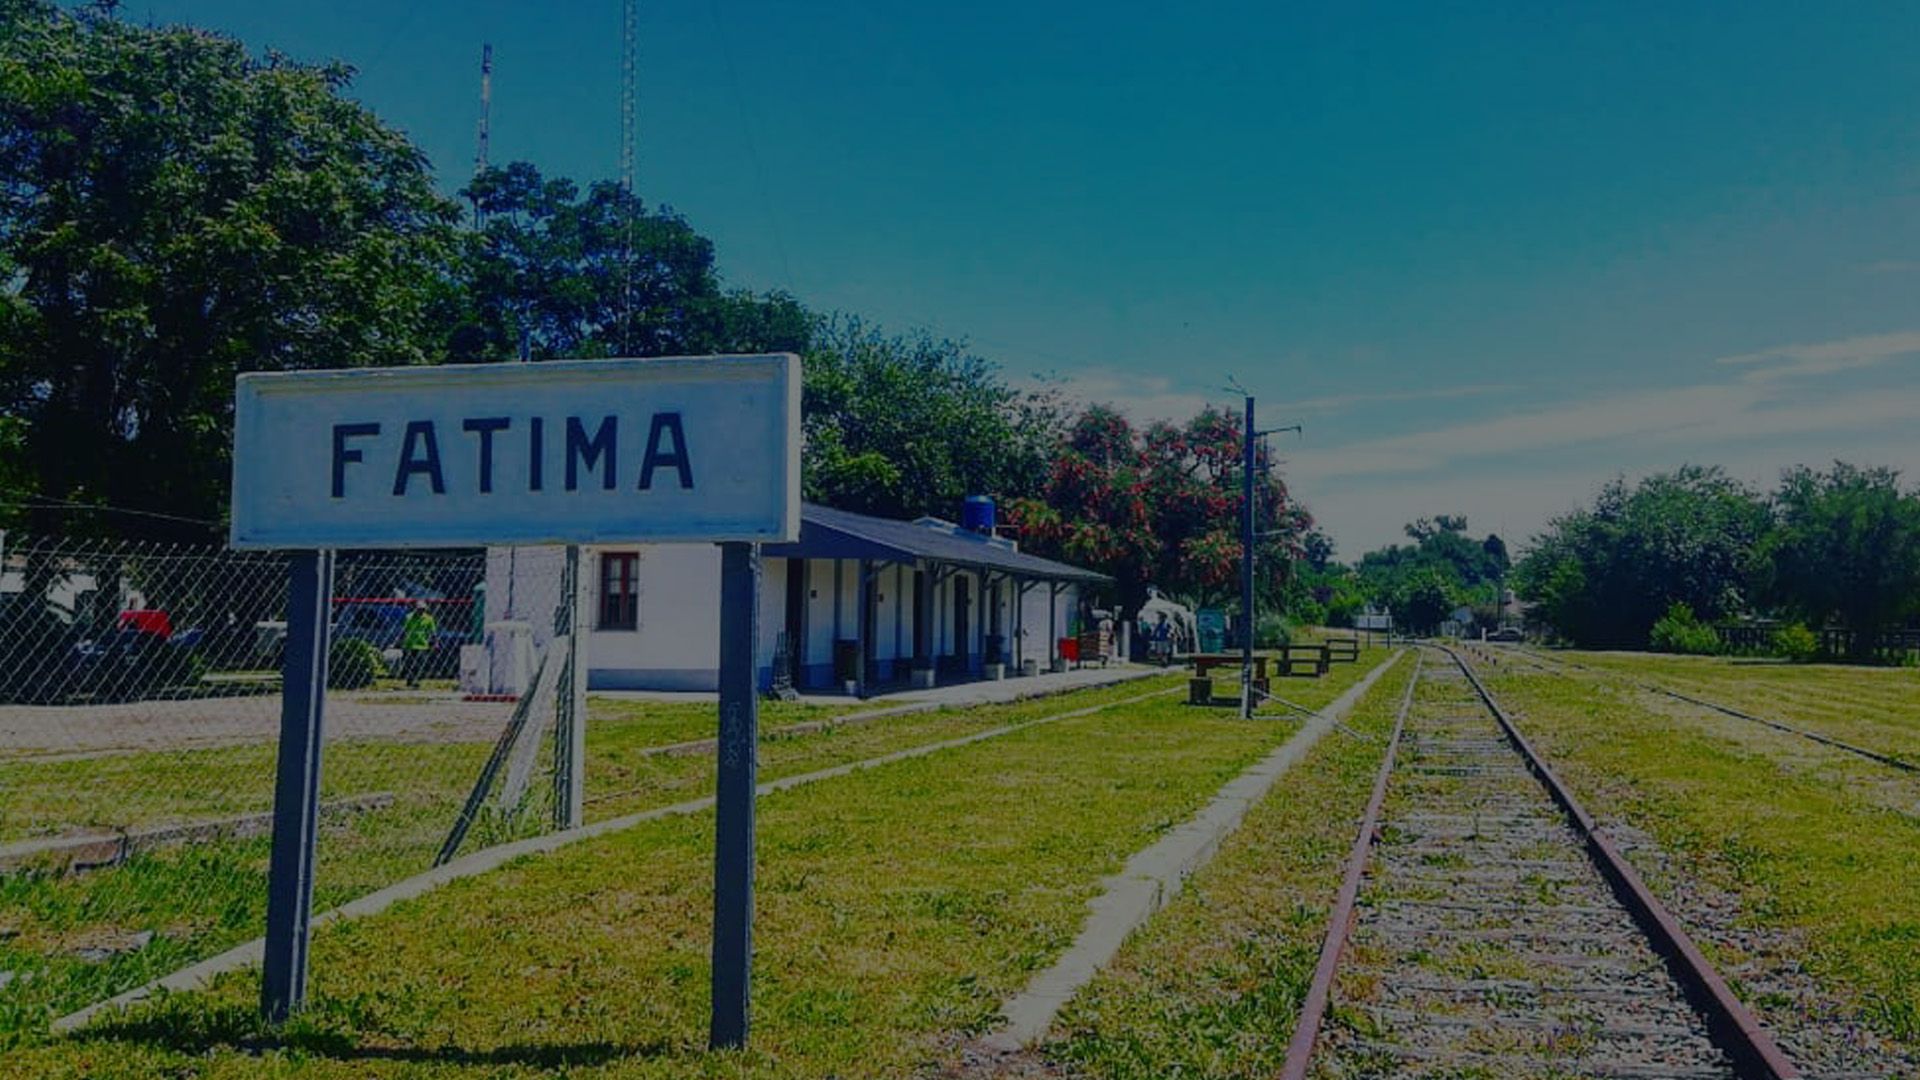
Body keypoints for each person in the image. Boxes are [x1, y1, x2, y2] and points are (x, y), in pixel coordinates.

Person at [399, 600, 437, 688]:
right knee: (408, 663)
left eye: (423, 609)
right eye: (419, 609)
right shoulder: (409, 617)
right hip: (409, 644)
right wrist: (400, 641)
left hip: (422, 644)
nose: (421, 611)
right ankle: (410, 680)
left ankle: (416, 680)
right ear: (415, 609)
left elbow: (433, 632)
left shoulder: (429, 618)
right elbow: (404, 630)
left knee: (419, 664)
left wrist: (435, 642)